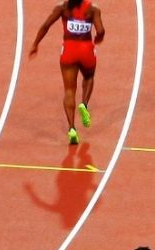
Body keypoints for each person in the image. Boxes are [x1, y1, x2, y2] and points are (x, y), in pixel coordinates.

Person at [29, 0, 105, 145]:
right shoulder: (93, 9)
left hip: (69, 50)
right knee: (89, 77)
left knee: (69, 91)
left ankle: (72, 129)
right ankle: (84, 104)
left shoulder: (62, 7)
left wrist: (35, 44)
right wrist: (98, 39)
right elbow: (100, 31)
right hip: (86, 49)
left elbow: (46, 26)